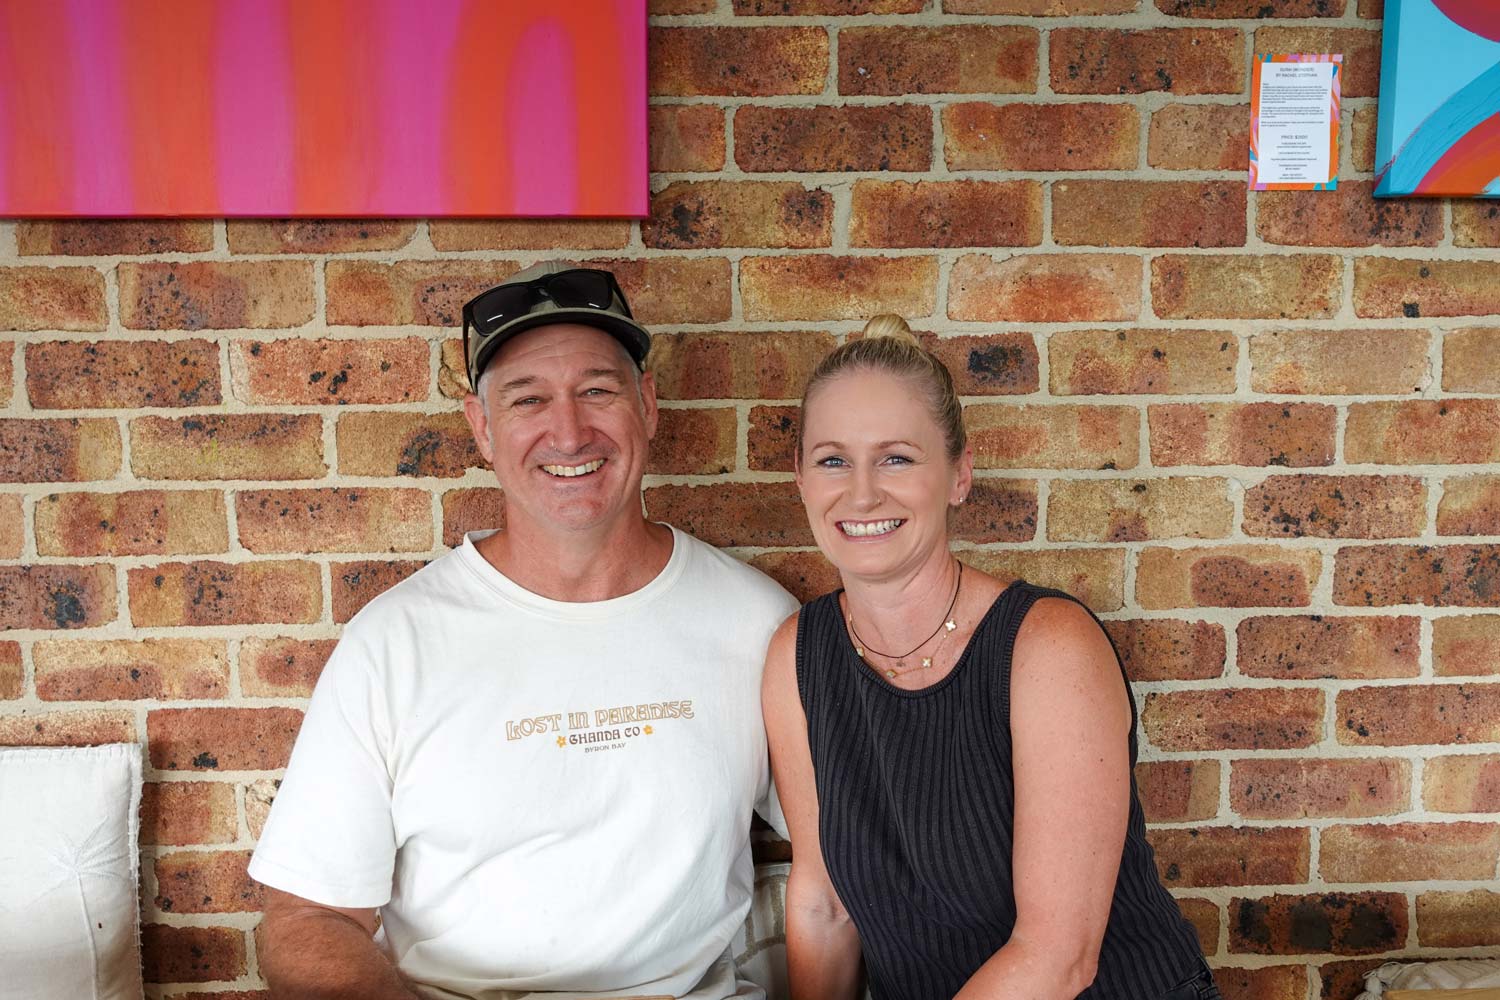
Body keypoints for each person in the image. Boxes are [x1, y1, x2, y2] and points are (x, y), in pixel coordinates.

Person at [249, 262, 798, 1000]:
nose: (568, 432)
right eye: (528, 398)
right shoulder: (396, 644)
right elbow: (306, 917)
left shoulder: (758, 622)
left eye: (597, 390)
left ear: (648, 405)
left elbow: (862, 857)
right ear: (482, 429)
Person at [761, 316, 1218, 1000]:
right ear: (800, 479)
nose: (860, 493)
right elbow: (824, 904)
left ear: (958, 476)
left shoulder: (1048, 647)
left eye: (896, 458)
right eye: (833, 460)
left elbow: (1057, 957)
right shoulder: (797, 656)